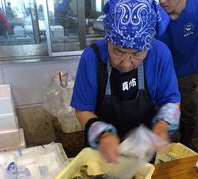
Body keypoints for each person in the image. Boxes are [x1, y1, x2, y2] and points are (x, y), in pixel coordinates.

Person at [71, 0, 181, 163]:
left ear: (148, 46)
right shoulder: (91, 58)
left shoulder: (160, 54)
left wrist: (163, 125)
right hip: (102, 155)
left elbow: (172, 101)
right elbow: (82, 110)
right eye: (119, 51)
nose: (126, 63)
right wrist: (103, 134)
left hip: (142, 156)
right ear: (107, 38)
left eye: (137, 54)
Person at [158, 0, 198, 151]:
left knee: (189, 113)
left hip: (189, 73)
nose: (162, 1)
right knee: (164, 116)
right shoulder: (155, 13)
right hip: (163, 75)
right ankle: (167, 151)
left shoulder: (195, 9)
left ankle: (186, 146)